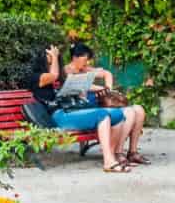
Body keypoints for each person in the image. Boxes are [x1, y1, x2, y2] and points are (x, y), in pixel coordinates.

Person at [25, 42, 131, 173]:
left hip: (70, 109)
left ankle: (112, 155)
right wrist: (54, 55)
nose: (55, 59)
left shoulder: (60, 73)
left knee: (118, 115)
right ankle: (108, 162)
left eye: (55, 57)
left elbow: (61, 80)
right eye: (50, 57)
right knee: (102, 115)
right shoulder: (36, 77)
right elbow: (53, 76)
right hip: (57, 116)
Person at [64, 42, 148, 166]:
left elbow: (107, 74)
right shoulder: (66, 71)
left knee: (139, 110)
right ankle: (117, 153)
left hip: (100, 103)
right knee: (129, 112)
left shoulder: (85, 69)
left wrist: (108, 91)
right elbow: (77, 85)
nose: (87, 63)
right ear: (75, 58)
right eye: (85, 60)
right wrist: (100, 88)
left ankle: (132, 152)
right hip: (87, 108)